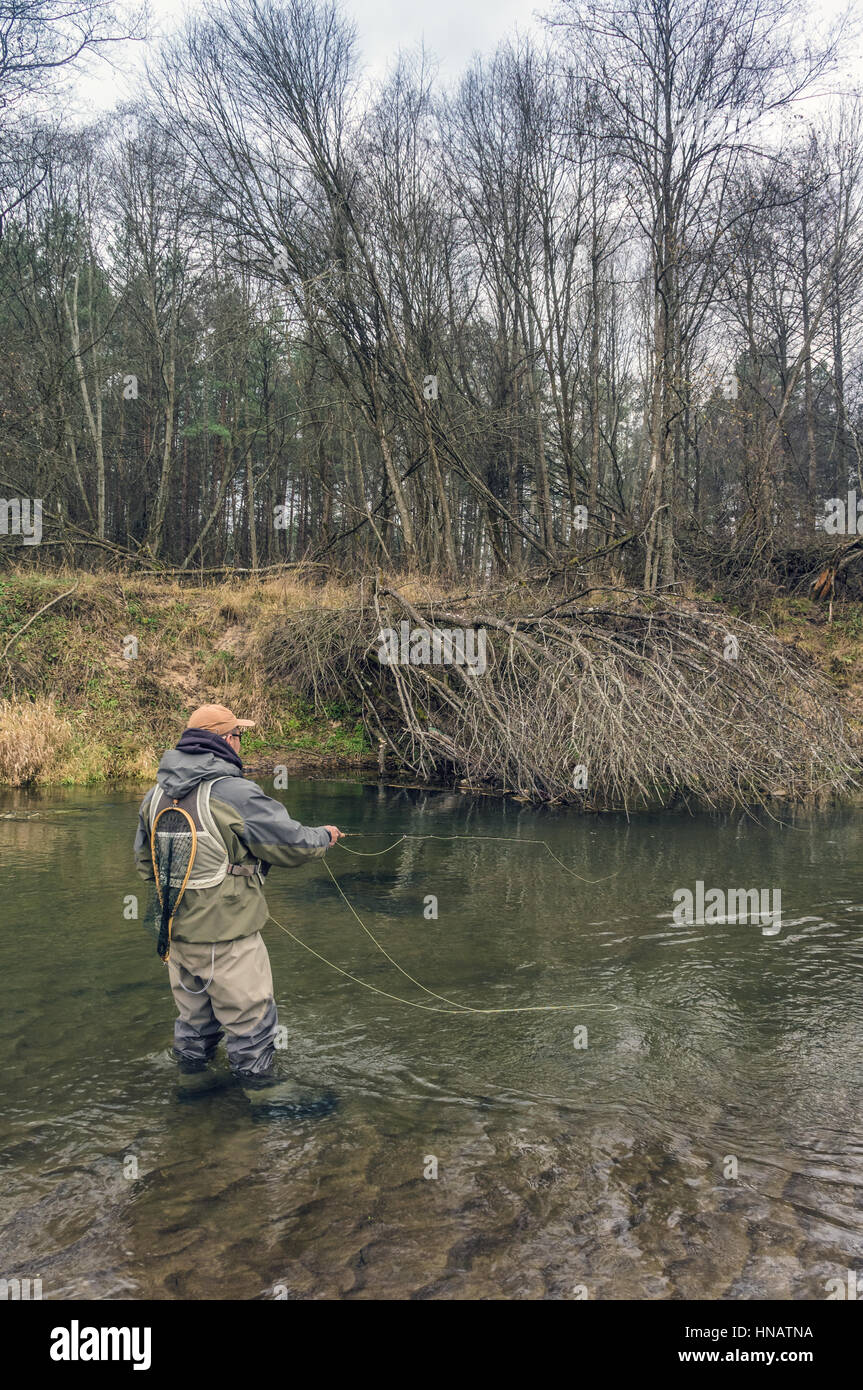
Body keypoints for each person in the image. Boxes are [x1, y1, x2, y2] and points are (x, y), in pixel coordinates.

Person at [134, 703, 343, 1112]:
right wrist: (324, 836)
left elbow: (146, 865)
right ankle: (266, 1097)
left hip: (175, 937)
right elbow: (291, 844)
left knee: (194, 1025)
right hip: (227, 937)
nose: (241, 743)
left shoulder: (154, 794)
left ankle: (192, 1090)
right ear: (224, 739)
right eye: (239, 735)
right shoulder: (234, 792)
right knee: (251, 1021)